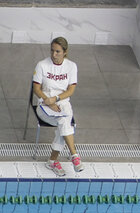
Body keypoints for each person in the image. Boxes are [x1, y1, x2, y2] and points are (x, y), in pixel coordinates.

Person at [32, 37, 83, 176]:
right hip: (44, 103)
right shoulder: (42, 65)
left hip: (63, 102)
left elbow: (70, 90)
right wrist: (48, 100)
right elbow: (36, 89)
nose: (54, 55)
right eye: (52, 51)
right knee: (64, 122)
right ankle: (73, 155)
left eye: (58, 52)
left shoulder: (71, 66)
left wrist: (57, 99)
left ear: (65, 52)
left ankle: (53, 161)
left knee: (63, 121)